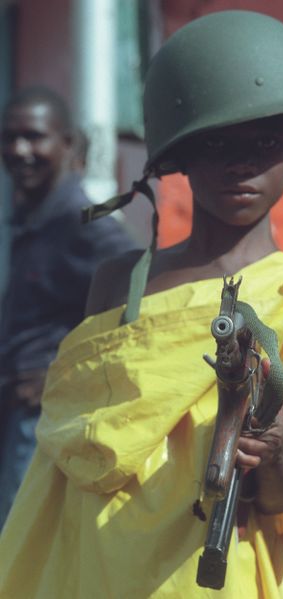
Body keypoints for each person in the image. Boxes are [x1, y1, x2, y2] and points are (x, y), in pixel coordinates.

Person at [0, 12, 283, 598]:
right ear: (176, 155)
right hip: (92, 573)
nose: (241, 164)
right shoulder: (117, 283)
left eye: (264, 144)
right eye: (216, 143)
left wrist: (274, 449)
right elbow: (63, 471)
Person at [0, 85, 136, 530]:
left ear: (68, 144)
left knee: (22, 544)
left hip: (45, 420)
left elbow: (142, 299)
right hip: (21, 414)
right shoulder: (34, 218)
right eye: (9, 137)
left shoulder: (84, 225)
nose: (20, 150)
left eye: (34, 136)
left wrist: (63, 373)